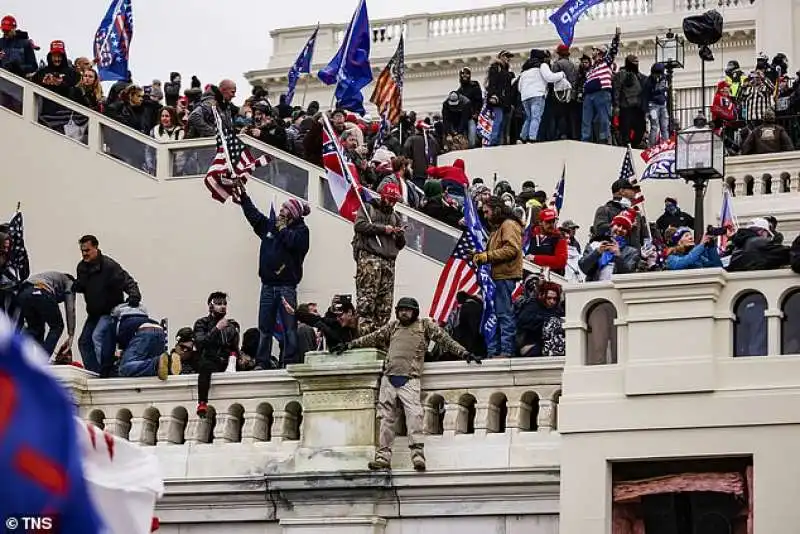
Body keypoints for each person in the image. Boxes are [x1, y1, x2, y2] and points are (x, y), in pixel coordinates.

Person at [332, 297, 481, 471]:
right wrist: (348, 346)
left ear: (414, 312)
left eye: (407, 310)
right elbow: (371, 338)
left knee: (415, 418)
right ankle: (382, 458)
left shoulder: (425, 326)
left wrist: (464, 353)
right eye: (401, 309)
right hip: (389, 379)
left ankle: (418, 457)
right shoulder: (393, 326)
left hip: (410, 379)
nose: (404, 312)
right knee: (386, 419)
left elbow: (445, 340)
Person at [233, 184, 310, 369]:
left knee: (289, 327)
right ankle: (262, 361)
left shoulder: (302, 231)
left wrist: (283, 230)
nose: (281, 210)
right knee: (264, 327)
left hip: (287, 286)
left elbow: (294, 245)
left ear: (293, 213)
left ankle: (290, 361)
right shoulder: (270, 226)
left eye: (285, 208)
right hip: (267, 285)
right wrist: (244, 198)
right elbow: (255, 217)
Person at [74, 235, 141, 377]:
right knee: (84, 342)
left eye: (87, 250)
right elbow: (84, 284)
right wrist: (78, 286)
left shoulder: (109, 266)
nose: (84, 253)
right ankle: (94, 372)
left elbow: (127, 281)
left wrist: (134, 295)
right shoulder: (82, 267)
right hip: (94, 313)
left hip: (109, 311)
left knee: (97, 337)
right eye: (82, 251)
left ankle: (107, 371)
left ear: (96, 248)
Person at [472, 197, 523, 358]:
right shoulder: (498, 228)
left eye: (487, 211)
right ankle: (495, 351)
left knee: (503, 314)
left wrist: (486, 257)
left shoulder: (508, 225)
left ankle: (506, 351)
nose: (485, 216)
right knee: (495, 314)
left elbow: (511, 249)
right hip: (496, 277)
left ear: (496, 209)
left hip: (504, 277)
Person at [353, 183, 406, 335]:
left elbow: (401, 245)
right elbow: (359, 226)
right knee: (367, 300)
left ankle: (379, 337)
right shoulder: (368, 208)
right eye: (389, 200)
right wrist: (383, 229)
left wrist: (399, 235)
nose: (391, 203)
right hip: (370, 258)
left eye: (394, 201)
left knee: (384, 304)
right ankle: (364, 336)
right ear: (383, 197)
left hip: (388, 262)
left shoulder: (395, 217)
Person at [194, 292, 240, 417]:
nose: (223, 307)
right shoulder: (201, 323)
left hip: (226, 361)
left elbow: (234, 347)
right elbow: (201, 343)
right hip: (210, 360)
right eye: (219, 304)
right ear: (210, 306)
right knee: (205, 366)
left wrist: (236, 358)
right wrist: (216, 329)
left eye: (225, 304)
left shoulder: (231, 326)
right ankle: (202, 402)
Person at [16, 271, 76, 357]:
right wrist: (71, 334)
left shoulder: (50, 277)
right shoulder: (69, 282)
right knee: (57, 326)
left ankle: (16, 353)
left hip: (23, 293)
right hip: (41, 290)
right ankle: (42, 360)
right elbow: (71, 308)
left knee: (35, 329)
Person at [112, 303, 173, 379]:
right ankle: (170, 363)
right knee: (152, 363)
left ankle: (156, 364)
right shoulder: (144, 317)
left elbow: (124, 342)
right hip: (159, 329)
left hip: (144, 332)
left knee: (124, 368)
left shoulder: (123, 322)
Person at [582, 28, 621, 144]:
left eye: (594, 50)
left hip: (602, 93)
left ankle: (604, 139)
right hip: (589, 95)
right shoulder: (591, 68)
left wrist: (617, 37)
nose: (592, 52)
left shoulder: (606, 62)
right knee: (586, 119)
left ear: (599, 52)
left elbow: (613, 51)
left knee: (604, 118)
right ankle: (586, 139)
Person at [518, 49, 566, 143]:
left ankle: (522, 138)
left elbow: (519, 87)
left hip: (525, 96)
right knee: (536, 117)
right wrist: (561, 74)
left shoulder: (525, 70)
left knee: (528, 118)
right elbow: (549, 77)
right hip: (537, 94)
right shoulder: (542, 65)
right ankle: (532, 139)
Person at [579, 210, 642, 281]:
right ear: (612, 226)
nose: (620, 229)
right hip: (594, 289)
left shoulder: (631, 252)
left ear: (627, 233)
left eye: (624, 228)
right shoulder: (594, 245)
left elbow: (628, 276)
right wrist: (597, 252)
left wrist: (618, 256)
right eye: (618, 225)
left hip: (616, 290)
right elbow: (583, 267)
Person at [593, 178, 646, 249]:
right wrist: (621, 225)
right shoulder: (605, 210)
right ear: (622, 191)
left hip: (635, 257)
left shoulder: (636, 215)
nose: (635, 193)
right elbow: (599, 230)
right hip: (614, 256)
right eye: (632, 190)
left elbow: (643, 238)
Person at [515, 281, 565, 357]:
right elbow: (524, 322)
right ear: (542, 295)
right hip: (529, 346)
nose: (552, 301)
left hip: (547, 346)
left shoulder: (556, 310)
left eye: (555, 299)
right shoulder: (531, 305)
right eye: (549, 298)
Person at [613, 55, 647, 147]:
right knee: (625, 130)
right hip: (626, 106)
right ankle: (626, 145)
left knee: (640, 129)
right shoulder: (621, 74)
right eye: (634, 62)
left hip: (639, 108)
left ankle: (635, 144)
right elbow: (617, 89)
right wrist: (616, 106)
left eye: (637, 62)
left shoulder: (641, 76)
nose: (636, 63)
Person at [485, 50, 515, 146]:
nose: (507, 58)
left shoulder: (507, 70)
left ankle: (500, 142)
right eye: (505, 56)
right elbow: (492, 83)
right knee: (499, 119)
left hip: (506, 101)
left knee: (504, 124)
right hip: (498, 100)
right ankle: (493, 141)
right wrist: (493, 95)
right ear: (500, 57)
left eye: (509, 57)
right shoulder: (495, 68)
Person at [524, 208, 568, 272]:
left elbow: (561, 261)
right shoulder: (530, 234)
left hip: (550, 278)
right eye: (548, 222)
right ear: (540, 222)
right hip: (528, 275)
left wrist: (535, 258)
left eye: (553, 221)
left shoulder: (560, 238)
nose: (551, 224)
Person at [642, 63, 669, 146]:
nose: (658, 76)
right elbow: (645, 96)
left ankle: (665, 145)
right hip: (652, 106)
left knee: (664, 126)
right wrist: (646, 111)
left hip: (662, 105)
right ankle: (652, 146)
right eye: (656, 74)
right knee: (654, 126)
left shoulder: (664, 78)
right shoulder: (648, 82)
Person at [456, 67, 484, 148]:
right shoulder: (459, 91)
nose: (465, 75)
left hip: (472, 117)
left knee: (472, 139)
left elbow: (479, 100)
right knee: (465, 140)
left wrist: (477, 112)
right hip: (463, 119)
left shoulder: (474, 86)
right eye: (462, 74)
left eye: (467, 73)